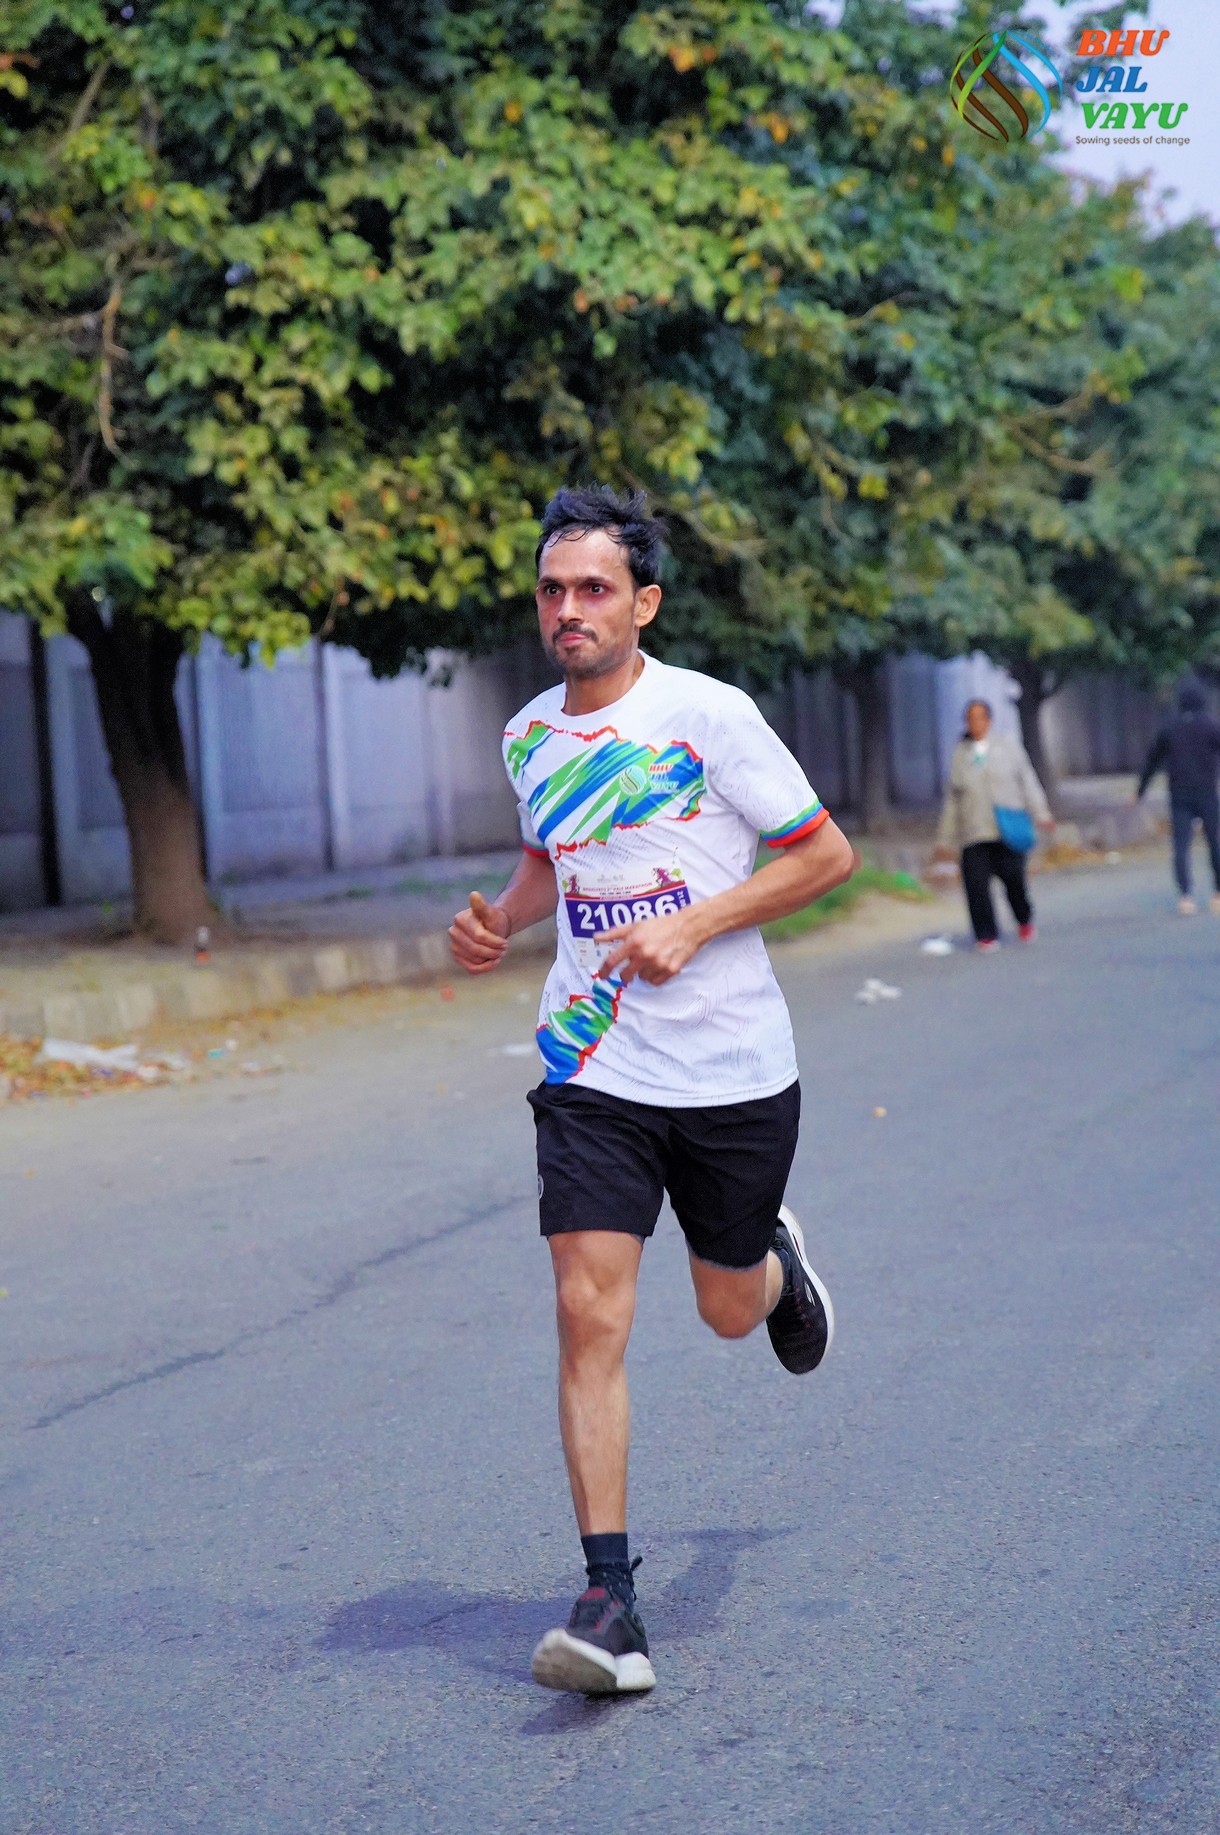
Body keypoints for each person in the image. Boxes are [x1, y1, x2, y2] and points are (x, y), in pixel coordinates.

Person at [449, 485, 855, 1697]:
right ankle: (607, 1600)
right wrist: (501, 918)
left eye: (593, 588)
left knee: (726, 1309)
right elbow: (551, 857)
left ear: (643, 604)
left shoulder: (707, 714)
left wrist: (697, 921)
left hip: (730, 1068)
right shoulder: (529, 734)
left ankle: (772, 1263)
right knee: (588, 1312)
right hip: (592, 1063)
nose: (567, 608)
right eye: (551, 589)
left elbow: (821, 854)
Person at [934, 698, 1053, 952]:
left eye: (979, 718)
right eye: (970, 719)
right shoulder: (961, 754)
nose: (975, 723)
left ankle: (1024, 919)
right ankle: (986, 934)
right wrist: (945, 839)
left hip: (1005, 827)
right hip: (973, 830)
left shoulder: (1007, 747)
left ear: (989, 720)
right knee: (976, 885)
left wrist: (1040, 812)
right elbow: (952, 799)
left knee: (1014, 880)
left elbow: (1027, 780)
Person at [1135, 682, 1220, 915]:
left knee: (1181, 845)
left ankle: (1185, 897)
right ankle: (1217, 894)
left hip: (1179, 794)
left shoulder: (1169, 727)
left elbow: (1152, 760)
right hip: (1206, 793)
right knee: (1214, 842)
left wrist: (1140, 790)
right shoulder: (1210, 726)